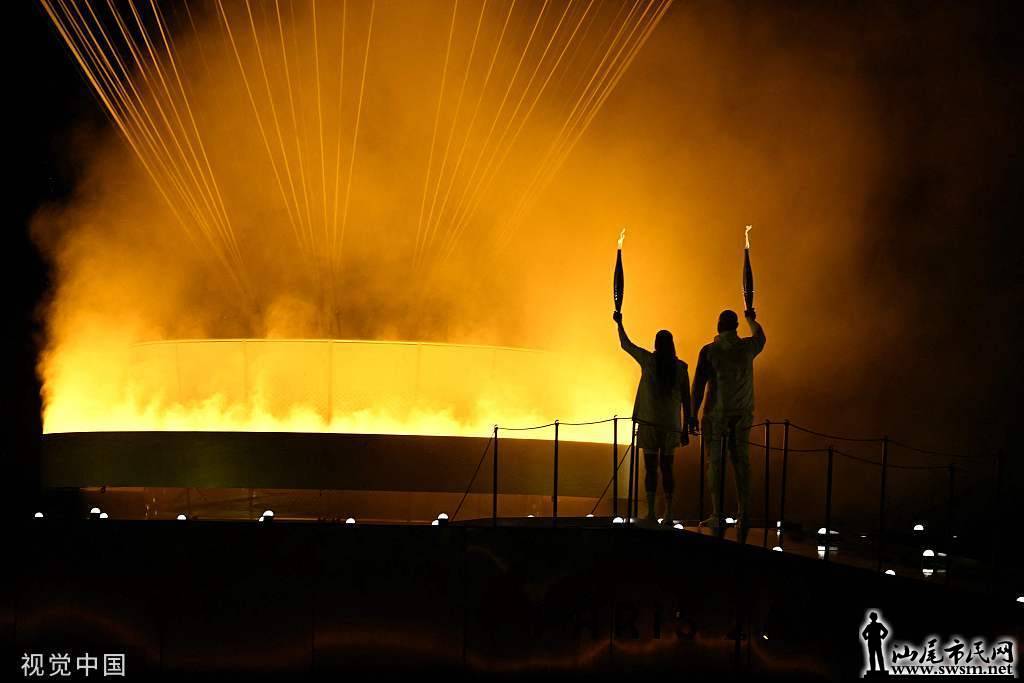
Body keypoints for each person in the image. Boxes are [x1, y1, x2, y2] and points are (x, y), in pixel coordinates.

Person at [689, 308, 765, 534]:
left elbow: (698, 385)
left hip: (716, 415)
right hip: (743, 414)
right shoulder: (747, 348)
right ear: (736, 326)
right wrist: (751, 319)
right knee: (742, 463)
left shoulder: (709, 351)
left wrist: (692, 414)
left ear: (719, 325)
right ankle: (744, 514)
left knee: (714, 463)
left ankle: (717, 513)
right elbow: (761, 336)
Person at [613, 311, 691, 521]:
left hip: (649, 423)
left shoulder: (648, 361)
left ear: (656, 344)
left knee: (650, 468)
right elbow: (687, 399)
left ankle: (651, 511)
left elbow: (626, 344)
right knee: (667, 468)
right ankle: (669, 511)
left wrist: (619, 323)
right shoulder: (681, 368)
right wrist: (686, 427)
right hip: (671, 425)